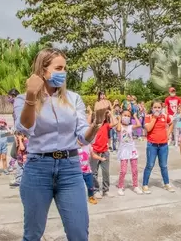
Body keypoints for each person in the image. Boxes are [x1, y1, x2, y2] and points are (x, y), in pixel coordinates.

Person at [14, 48, 108, 241]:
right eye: (58, 68)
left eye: (65, 68)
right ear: (43, 70)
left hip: (70, 168)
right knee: (32, 234)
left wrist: (97, 123)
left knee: (79, 233)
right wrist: (32, 96)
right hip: (38, 168)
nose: (63, 72)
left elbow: (83, 138)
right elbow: (25, 128)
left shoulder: (73, 99)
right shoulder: (23, 99)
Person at [142, 100, 175, 194]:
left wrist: (168, 133)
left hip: (163, 145)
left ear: (162, 108)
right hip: (152, 145)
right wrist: (155, 118)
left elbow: (171, 123)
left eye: (159, 107)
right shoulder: (148, 117)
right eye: (155, 107)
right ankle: (145, 184)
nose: (157, 109)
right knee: (150, 165)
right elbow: (148, 129)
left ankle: (166, 183)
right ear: (152, 108)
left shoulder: (165, 116)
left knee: (164, 165)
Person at [90, 110, 118, 199]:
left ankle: (106, 190)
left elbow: (115, 123)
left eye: (103, 116)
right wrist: (92, 114)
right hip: (94, 152)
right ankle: (95, 190)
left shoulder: (106, 125)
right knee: (94, 172)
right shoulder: (93, 127)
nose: (101, 118)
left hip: (104, 152)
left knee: (106, 172)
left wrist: (111, 114)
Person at [116, 110, 143, 196]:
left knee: (134, 169)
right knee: (123, 171)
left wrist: (135, 116)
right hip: (123, 150)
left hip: (132, 149)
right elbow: (118, 129)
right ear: (121, 115)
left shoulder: (131, 127)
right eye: (125, 115)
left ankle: (135, 186)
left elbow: (139, 125)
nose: (126, 117)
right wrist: (120, 119)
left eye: (128, 116)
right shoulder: (119, 125)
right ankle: (120, 186)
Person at [7, 88, 20, 171]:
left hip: (20, 131)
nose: (9, 99)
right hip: (16, 129)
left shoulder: (19, 106)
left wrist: (16, 129)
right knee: (16, 148)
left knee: (16, 148)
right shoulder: (16, 106)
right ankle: (12, 164)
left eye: (10, 97)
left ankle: (14, 165)